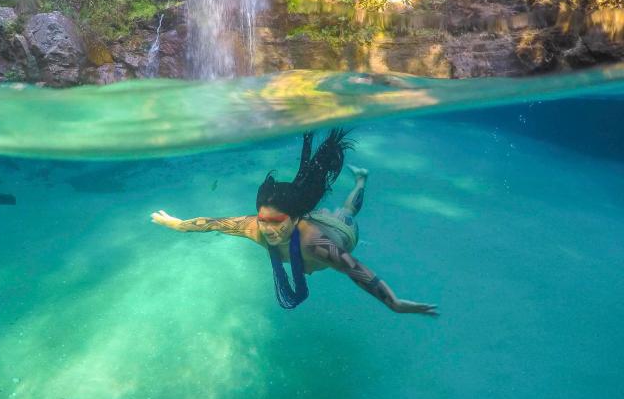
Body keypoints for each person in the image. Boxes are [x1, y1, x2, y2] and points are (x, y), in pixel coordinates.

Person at [150, 129, 439, 315]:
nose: (269, 229)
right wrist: (178, 224)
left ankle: (361, 180)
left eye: (277, 223)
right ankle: (358, 182)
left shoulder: (317, 244)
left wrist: (393, 302)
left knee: (348, 210)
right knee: (337, 211)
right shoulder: (256, 228)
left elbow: (357, 271)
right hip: (309, 225)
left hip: (340, 230)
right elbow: (214, 223)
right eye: (264, 221)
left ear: (295, 218)